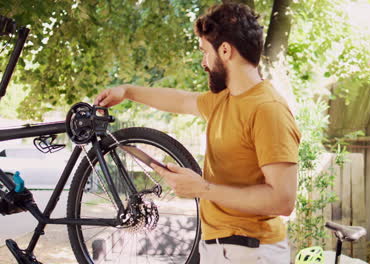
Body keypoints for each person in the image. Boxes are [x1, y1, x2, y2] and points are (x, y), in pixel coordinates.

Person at [94, 3, 301, 263]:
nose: (204, 62)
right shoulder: (225, 100)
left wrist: (203, 188)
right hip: (220, 248)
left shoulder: (268, 109)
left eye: (205, 52)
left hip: (251, 251)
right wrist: (127, 91)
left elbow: (282, 200)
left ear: (225, 50)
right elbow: (181, 101)